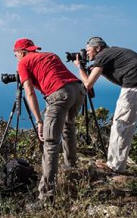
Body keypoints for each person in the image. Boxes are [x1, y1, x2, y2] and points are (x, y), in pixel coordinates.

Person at [73, 37, 137, 181]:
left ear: (97, 48)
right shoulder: (113, 52)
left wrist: (79, 67)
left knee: (122, 125)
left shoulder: (102, 55)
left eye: (88, 50)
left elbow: (88, 84)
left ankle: (115, 166)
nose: (87, 54)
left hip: (135, 84)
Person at [13, 38, 86, 199]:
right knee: (68, 124)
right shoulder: (50, 55)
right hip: (78, 90)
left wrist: (39, 121)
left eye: (16, 54)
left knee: (51, 143)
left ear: (22, 52)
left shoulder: (23, 63)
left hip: (59, 93)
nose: (16, 57)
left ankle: (46, 195)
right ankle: (70, 164)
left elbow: (30, 92)